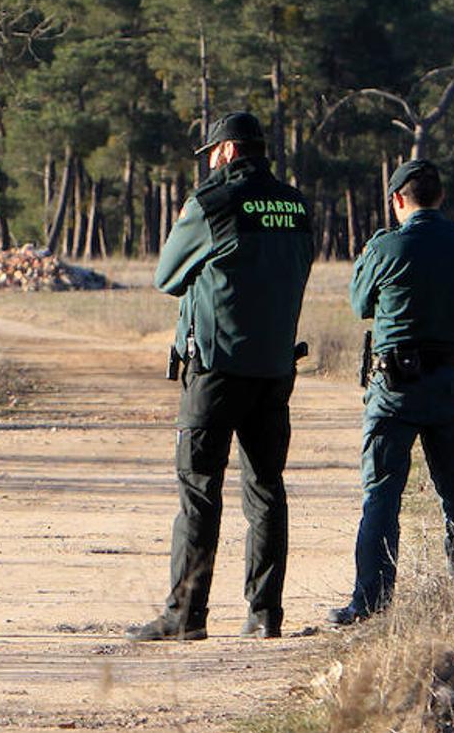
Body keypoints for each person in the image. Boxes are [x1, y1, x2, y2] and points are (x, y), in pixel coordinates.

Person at [126, 112, 314, 642]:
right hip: (276, 369)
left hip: (215, 370)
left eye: (210, 154)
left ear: (227, 152)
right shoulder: (296, 206)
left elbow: (167, 277)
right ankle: (263, 615)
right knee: (266, 490)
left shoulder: (211, 203)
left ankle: (185, 616)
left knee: (200, 490)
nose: (208, 164)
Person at [327, 159, 454, 626]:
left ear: (398, 199)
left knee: (381, 496)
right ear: (440, 197)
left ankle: (371, 604)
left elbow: (360, 304)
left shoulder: (386, 246)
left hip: (395, 390)